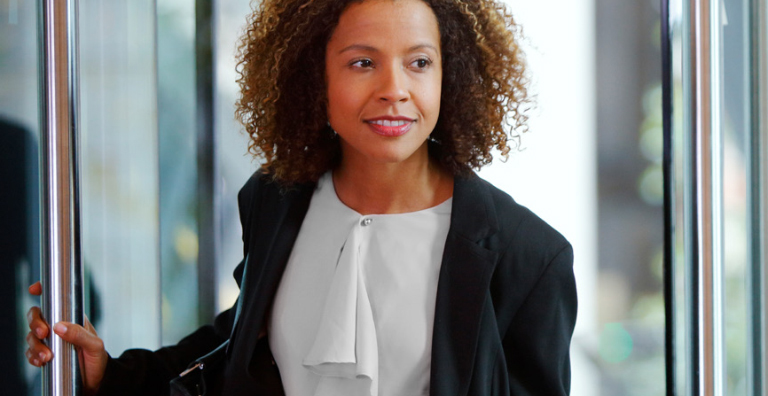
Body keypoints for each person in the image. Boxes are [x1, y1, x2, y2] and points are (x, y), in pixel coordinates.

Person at [26, 0, 578, 395]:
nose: (394, 88)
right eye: (362, 62)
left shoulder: (528, 256)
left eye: (419, 62)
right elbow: (239, 341)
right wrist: (111, 373)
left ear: (449, 76)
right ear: (315, 80)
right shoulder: (274, 201)